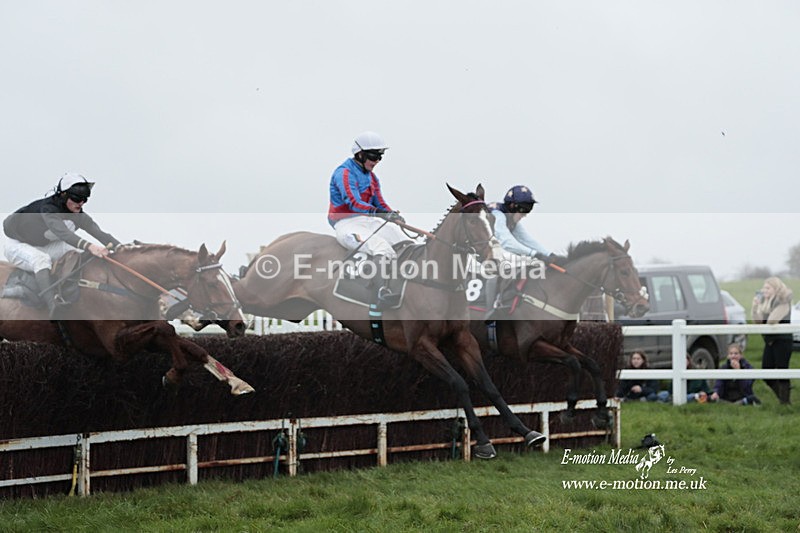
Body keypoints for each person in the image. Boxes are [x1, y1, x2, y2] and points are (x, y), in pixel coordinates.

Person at [3, 173, 120, 317]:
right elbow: (63, 233)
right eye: (77, 199)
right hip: (17, 245)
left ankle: (70, 289)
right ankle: (52, 305)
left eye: (85, 200)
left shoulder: (78, 214)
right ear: (63, 195)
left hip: (44, 244)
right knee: (41, 260)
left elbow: (98, 232)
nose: (81, 203)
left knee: (76, 250)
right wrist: (91, 246)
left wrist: (122, 247)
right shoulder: (48, 208)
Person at [327, 131, 408, 308]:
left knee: (404, 241)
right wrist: (380, 212)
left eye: (380, 156)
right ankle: (380, 294)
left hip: (368, 221)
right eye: (374, 156)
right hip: (346, 223)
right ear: (360, 154)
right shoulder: (344, 173)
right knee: (382, 249)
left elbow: (380, 203)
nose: (377, 160)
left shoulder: (372, 178)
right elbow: (354, 203)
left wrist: (393, 214)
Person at [484, 185, 555, 318]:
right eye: (522, 213)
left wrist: (549, 254)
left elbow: (526, 240)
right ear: (512, 206)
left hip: (487, 251)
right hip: (471, 253)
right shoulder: (497, 215)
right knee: (496, 270)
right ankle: (489, 313)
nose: (524, 216)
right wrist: (534, 254)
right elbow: (506, 242)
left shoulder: (510, 218)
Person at [751, 276, 793, 404]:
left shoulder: (783, 302)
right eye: (764, 287)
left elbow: (772, 321)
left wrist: (764, 309)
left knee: (782, 370)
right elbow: (758, 322)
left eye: (768, 288)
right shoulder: (765, 302)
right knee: (766, 371)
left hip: (782, 341)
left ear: (776, 289)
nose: (764, 290)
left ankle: (785, 401)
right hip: (770, 341)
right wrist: (755, 307)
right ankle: (783, 398)